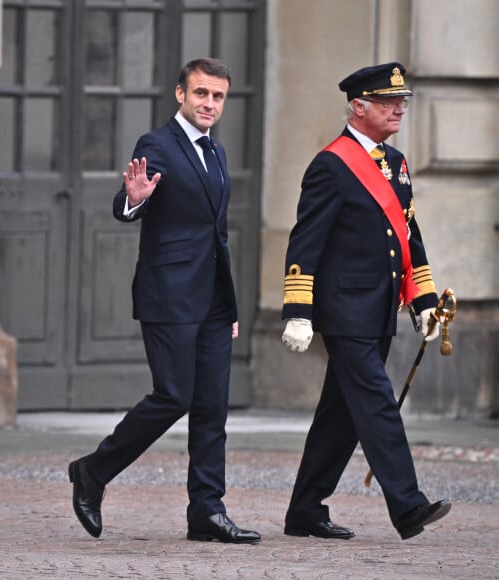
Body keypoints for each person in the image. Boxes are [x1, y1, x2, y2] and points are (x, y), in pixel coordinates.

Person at [68, 58, 261, 544]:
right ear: (181, 94)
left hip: (213, 301)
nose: (209, 104)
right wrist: (132, 198)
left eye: (218, 96)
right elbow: (127, 203)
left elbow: (217, 237)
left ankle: (207, 511)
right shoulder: (157, 144)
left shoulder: (215, 152)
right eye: (201, 94)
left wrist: (231, 308)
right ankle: (93, 472)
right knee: (174, 395)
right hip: (170, 295)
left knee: (213, 405)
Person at [280, 62, 451, 541]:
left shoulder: (394, 162)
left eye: (401, 101)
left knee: (340, 414)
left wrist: (423, 301)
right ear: (358, 107)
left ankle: (305, 510)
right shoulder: (331, 165)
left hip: (379, 309)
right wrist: (298, 310)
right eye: (387, 102)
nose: (398, 108)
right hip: (344, 310)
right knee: (377, 403)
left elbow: (408, 235)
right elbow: (305, 243)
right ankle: (408, 505)